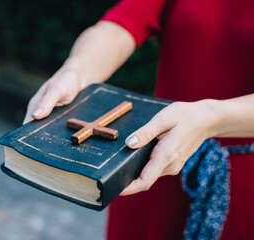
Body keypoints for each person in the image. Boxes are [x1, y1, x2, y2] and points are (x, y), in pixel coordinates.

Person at [23, 0, 254, 239]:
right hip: (149, 165)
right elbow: (119, 26)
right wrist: (77, 69)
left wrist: (211, 118)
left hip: (239, 189)